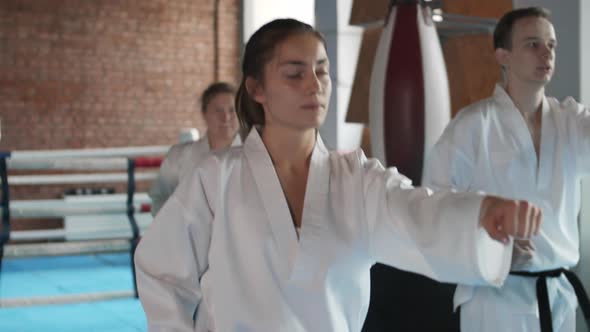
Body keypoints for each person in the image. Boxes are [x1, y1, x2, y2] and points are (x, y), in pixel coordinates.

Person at [135, 18, 542, 332]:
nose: (314, 85)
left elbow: (417, 212)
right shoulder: (215, 181)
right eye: (295, 73)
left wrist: (483, 214)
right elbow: (162, 271)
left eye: (322, 71)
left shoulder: (357, 180)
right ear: (257, 89)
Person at [422, 7, 590, 332]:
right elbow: (431, 208)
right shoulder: (472, 126)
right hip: (494, 301)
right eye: (532, 44)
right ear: (503, 55)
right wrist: (489, 248)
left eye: (551, 45)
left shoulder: (571, 121)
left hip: (558, 296)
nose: (546, 54)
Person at [148, 82, 240, 215]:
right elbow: (159, 199)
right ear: (204, 114)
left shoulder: (254, 158)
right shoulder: (178, 157)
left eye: (232, 110)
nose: (226, 117)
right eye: (218, 110)